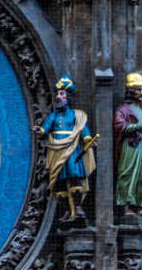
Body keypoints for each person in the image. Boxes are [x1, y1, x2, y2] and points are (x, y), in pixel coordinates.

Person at [33, 76, 96, 221]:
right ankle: (67, 209)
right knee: (59, 181)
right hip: (56, 150)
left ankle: (78, 207)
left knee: (74, 177)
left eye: (62, 94)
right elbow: (46, 128)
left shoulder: (76, 115)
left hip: (72, 149)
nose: (58, 97)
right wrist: (40, 131)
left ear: (68, 97)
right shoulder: (54, 116)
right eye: (57, 94)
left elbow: (83, 130)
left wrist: (87, 139)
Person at [114, 72, 142, 220]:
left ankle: (139, 207)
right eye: (138, 89)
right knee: (127, 175)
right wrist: (139, 126)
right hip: (129, 147)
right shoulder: (123, 109)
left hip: (141, 147)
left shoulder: (140, 111)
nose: (141, 93)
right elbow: (120, 127)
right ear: (131, 91)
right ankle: (126, 207)